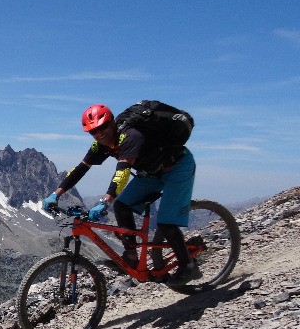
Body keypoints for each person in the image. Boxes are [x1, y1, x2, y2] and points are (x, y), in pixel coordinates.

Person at [41, 103, 200, 285]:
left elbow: (122, 171)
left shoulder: (130, 136)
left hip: (178, 167)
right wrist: (56, 193)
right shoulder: (100, 145)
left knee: (165, 222)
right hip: (151, 173)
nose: (100, 134)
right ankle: (131, 256)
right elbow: (81, 169)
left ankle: (188, 266)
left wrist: (105, 200)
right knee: (122, 206)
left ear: (111, 123)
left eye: (103, 127)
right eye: (94, 131)